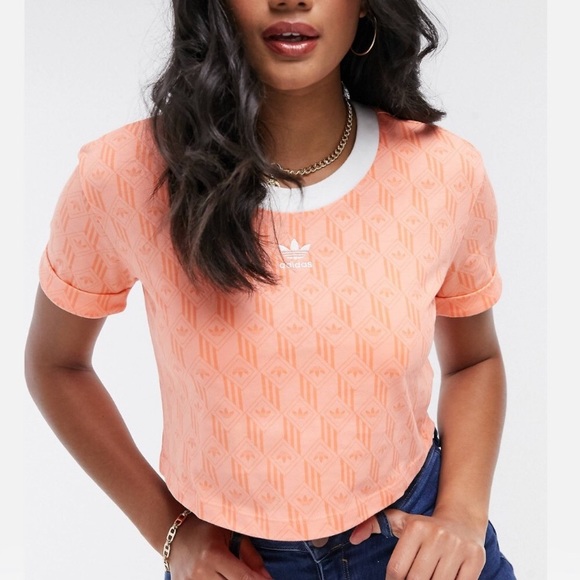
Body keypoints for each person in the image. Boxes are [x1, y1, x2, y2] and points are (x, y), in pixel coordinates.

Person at [24, 0, 517, 578]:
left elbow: (474, 361)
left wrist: (462, 514)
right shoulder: (124, 174)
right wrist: (172, 534)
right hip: (234, 564)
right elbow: (56, 364)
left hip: (416, 547)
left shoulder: (443, 173)